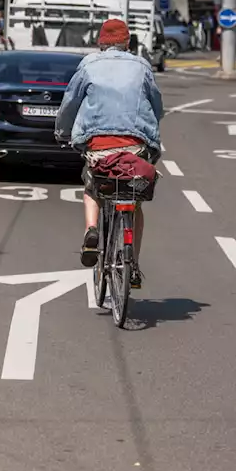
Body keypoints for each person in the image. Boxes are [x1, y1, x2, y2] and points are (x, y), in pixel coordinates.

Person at [55, 18, 164, 288]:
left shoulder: (89, 65)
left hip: (99, 146)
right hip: (136, 145)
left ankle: (91, 229)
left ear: (101, 42)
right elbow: (156, 104)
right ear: (128, 43)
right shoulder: (142, 66)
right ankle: (134, 265)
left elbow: (71, 102)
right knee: (134, 201)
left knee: (93, 186)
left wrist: (63, 132)